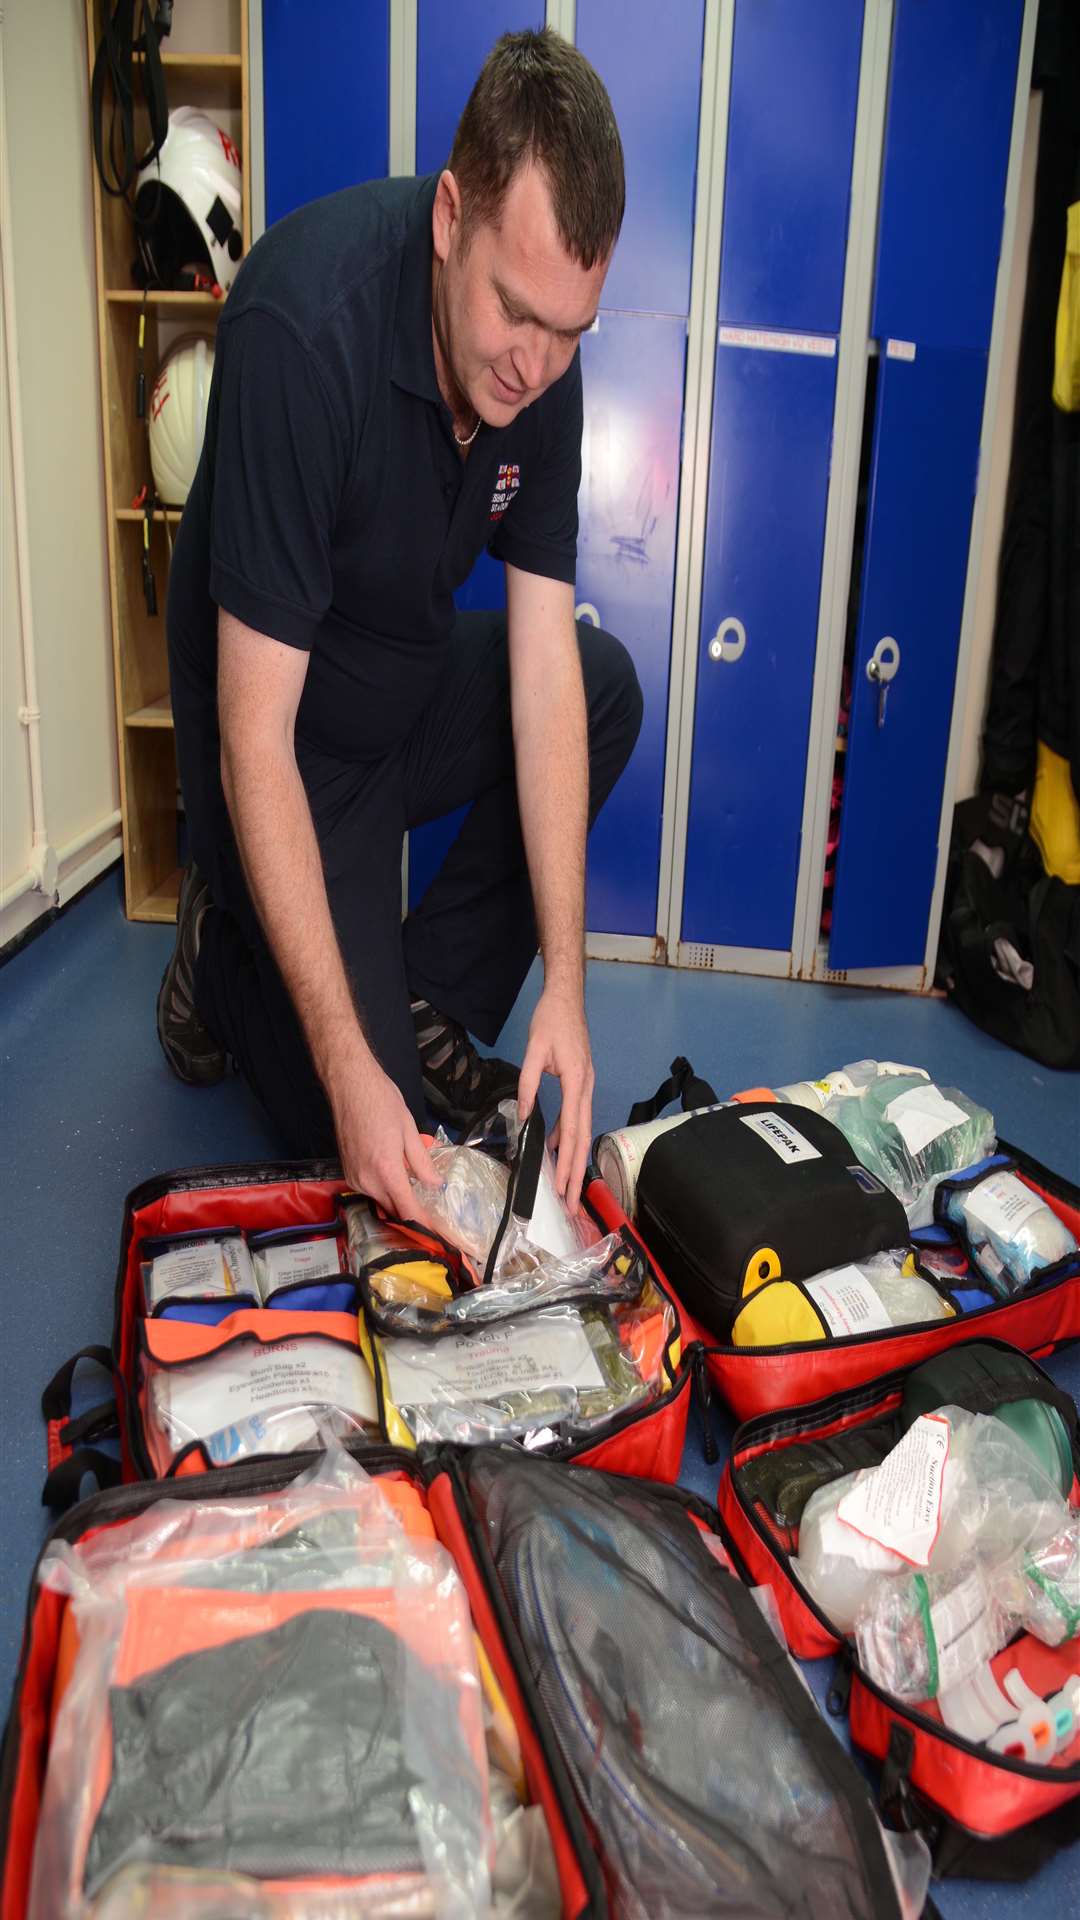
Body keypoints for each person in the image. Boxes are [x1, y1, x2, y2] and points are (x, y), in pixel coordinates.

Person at [160, 27, 641, 1223]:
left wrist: (566, 997)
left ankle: (425, 992)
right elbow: (253, 738)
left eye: (572, 330)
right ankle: (219, 966)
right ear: (448, 218)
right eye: (517, 313)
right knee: (361, 1141)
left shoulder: (545, 368)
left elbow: (540, 675)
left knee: (602, 684)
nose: (539, 365)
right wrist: (347, 1068)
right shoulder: (298, 329)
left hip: (405, 691)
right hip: (289, 745)